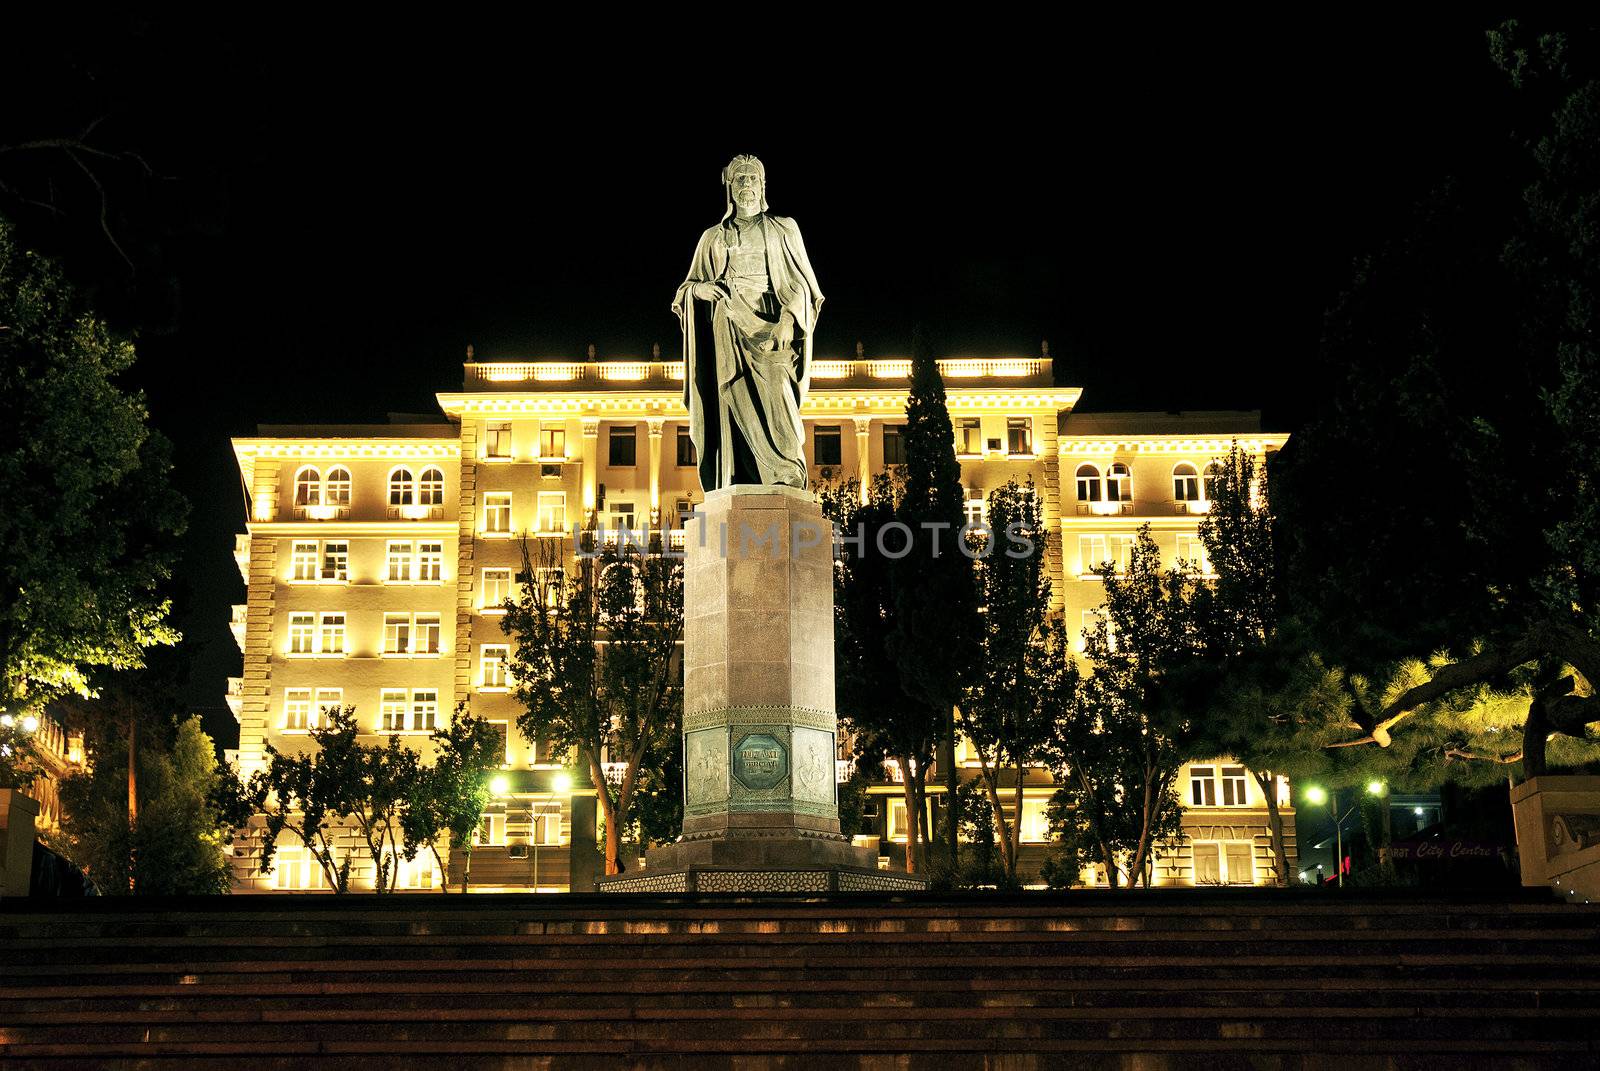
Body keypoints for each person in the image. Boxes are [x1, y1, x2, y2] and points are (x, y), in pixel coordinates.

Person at [673, 155, 823, 492]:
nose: (746, 185)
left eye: (752, 178)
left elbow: (802, 286)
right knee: (732, 399)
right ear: (728, 186)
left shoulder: (783, 229)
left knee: (778, 395)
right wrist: (700, 289)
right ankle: (740, 476)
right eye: (739, 179)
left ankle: (786, 470)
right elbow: (686, 289)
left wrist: (788, 319)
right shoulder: (711, 238)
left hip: (772, 331)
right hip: (727, 329)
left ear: (763, 185)